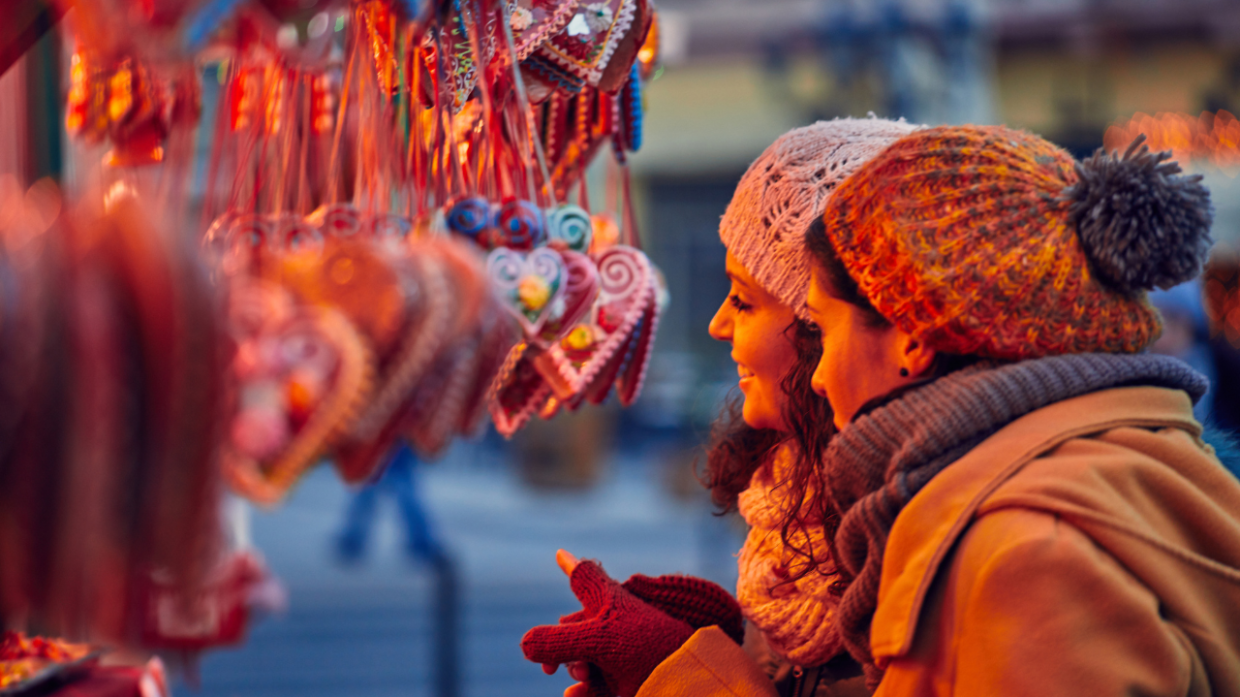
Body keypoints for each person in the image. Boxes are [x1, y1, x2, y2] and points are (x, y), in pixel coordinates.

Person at [525, 123, 1240, 697]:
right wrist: (719, 646)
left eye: (825, 327)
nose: (822, 365)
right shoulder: (1048, 494)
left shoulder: (1025, 554)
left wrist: (682, 677)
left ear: (911, 341)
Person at [520, 117, 917, 697]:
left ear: (823, 326)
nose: (717, 324)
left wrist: (677, 673)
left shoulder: (920, 533)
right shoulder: (789, 506)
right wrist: (710, 642)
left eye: (745, 301)